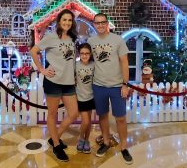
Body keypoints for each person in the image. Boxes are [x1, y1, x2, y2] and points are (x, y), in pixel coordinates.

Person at [30, 9, 79, 162]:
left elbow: (70, 60)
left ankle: (54, 137)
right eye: (64, 20)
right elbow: (34, 50)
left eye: (70, 20)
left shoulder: (72, 39)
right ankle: (57, 145)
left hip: (69, 82)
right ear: (59, 21)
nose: (67, 23)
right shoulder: (51, 37)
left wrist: (75, 75)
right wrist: (42, 70)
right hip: (53, 82)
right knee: (52, 114)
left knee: (73, 113)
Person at [87, 13, 133, 165]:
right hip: (98, 85)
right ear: (94, 24)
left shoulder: (117, 40)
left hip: (116, 86)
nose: (100, 25)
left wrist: (125, 84)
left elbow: (124, 62)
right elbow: (87, 60)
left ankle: (124, 146)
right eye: (97, 23)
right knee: (103, 116)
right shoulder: (91, 41)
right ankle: (106, 142)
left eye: (103, 22)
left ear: (107, 24)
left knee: (120, 118)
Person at [75, 43, 95, 154]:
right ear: (79, 54)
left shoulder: (93, 65)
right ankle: (81, 138)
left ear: (90, 54)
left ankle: (86, 141)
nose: (84, 55)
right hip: (80, 96)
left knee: (89, 121)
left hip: (91, 96)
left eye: (87, 53)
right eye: (82, 53)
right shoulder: (76, 65)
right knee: (85, 121)